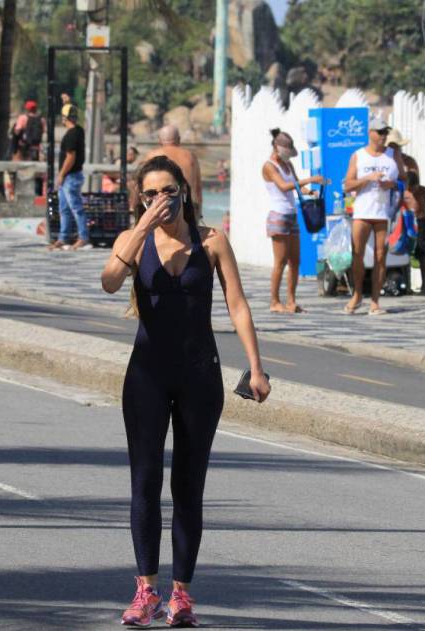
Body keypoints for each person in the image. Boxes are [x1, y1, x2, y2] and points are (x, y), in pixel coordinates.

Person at [100, 155, 270, 628]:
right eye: (151, 193)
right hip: (147, 376)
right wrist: (140, 230)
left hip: (199, 374)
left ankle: (182, 596)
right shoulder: (131, 242)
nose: (161, 200)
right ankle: (145, 591)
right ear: (140, 197)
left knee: (189, 488)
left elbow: (236, 302)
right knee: (145, 482)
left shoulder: (211, 241)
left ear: (185, 193)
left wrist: (256, 366)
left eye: (169, 191)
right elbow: (110, 282)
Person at [261, 128, 324, 314]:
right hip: (278, 216)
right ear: (276, 148)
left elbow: (296, 187)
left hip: (291, 214)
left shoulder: (288, 166)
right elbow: (283, 186)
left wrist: (309, 191)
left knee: (295, 260)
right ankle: (274, 301)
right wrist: (311, 179)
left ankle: (291, 300)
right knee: (280, 261)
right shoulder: (269, 166)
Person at [342, 114, 398, 316]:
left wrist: (390, 184)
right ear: (370, 133)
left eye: (386, 132)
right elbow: (347, 184)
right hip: (363, 210)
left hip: (383, 211)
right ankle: (357, 294)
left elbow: (403, 181)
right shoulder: (359, 155)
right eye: (380, 132)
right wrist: (367, 178)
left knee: (380, 256)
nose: (384, 136)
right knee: (357, 253)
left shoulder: (392, 154)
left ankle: (375, 301)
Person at [49, 104, 88, 250]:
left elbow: (70, 157)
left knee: (75, 208)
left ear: (65, 118)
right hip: (71, 176)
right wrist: (66, 102)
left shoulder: (71, 135)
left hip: (70, 177)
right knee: (64, 208)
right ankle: (63, 238)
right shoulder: (78, 131)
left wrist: (61, 174)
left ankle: (83, 237)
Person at [145, 125, 203, 219]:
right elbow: (198, 188)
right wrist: (198, 212)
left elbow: (141, 187)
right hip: (188, 207)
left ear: (159, 140)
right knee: (190, 233)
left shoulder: (151, 156)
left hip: (161, 206)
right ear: (179, 139)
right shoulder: (190, 157)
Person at [8, 99, 46, 202]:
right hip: (36, 148)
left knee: (19, 171)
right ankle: (38, 195)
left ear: (26, 108)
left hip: (23, 150)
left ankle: (17, 193)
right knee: (36, 172)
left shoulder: (23, 118)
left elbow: (17, 131)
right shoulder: (41, 119)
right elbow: (43, 131)